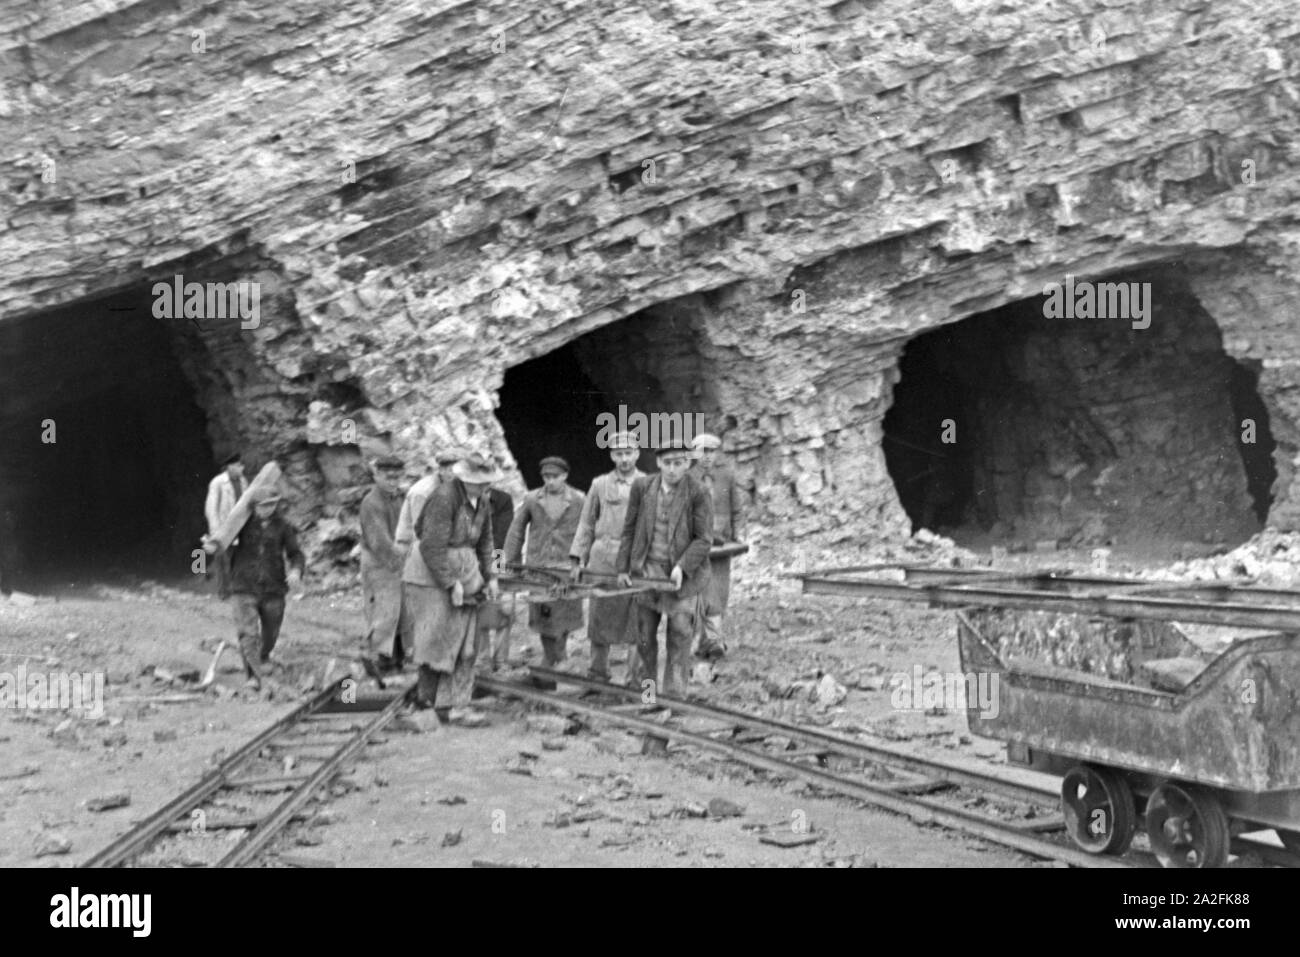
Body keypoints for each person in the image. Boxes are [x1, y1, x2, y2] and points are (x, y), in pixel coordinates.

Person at [407, 450, 501, 724]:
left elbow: (486, 540)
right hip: (432, 576)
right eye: (480, 481)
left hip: (467, 571)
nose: (486, 486)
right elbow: (430, 544)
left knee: (467, 644)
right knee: (434, 639)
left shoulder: (482, 500)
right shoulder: (444, 498)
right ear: (466, 479)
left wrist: (491, 575)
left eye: (488, 482)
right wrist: (450, 584)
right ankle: (428, 702)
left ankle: (458, 705)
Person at [617, 441, 712, 698]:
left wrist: (682, 567)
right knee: (645, 637)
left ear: (688, 463)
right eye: (667, 463)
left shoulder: (698, 492)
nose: (672, 469)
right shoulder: (643, 487)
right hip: (647, 573)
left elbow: (704, 539)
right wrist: (623, 568)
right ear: (658, 463)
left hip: (682, 579)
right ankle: (647, 691)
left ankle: (674, 696)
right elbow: (629, 529)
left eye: (678, 463)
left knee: (680, 635)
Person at [570, 431, 645, 684]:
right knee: (600, 619)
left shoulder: (647, 484)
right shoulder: (599, 484)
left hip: (634, 561)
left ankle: (635, 680)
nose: (624, 459)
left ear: (637, 453)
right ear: (612, 455)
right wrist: (578, 558)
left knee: (638, 620)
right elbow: (586, 523)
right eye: (619, 454)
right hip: (602, 559)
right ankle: (597, 675)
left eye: (628, 453)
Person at [504, 456, 585, 689]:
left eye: (555, 477)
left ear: (565, 476)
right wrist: (510, 563)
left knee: (565, 619)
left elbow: (587, 532)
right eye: (546, 477)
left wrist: (582, 562)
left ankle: (551, 664)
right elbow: (515, 531)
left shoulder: (579, 500)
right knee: (544, 619)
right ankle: (555, 662)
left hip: (566, 570)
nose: (550, 482)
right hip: (538, 570)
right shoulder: (532, 499)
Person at [225, 487, 305, 690]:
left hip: (273, 588)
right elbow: (221, 543)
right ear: (253, 507)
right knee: (248, 633)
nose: (268, 509)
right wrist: (206, 550)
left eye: (272, 504)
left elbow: (296, 554)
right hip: (243, 585)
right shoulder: (240, 525)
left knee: (271, 633)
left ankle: (264, 655)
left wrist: (295, 572)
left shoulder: (283, 527)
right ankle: (252, 676)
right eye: (263, 506)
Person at [396, 449, 462, 661]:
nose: (453, 472)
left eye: (456, 468)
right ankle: (417, 656)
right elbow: (422, 534)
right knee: (423, 607)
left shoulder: (454, 489)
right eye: (448, 468)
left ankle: (432, 654)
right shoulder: (423, 492)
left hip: (438, 552)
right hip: (417, 552)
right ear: (440, 469)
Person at [689, 433, 747, 660]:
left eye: (711, 451)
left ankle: (713, 643)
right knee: (698, 594)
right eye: (702, 451)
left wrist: (738, 534)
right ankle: (699, 642)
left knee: (719, 594)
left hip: (722, 545)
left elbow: (737, 509)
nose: (706, 457)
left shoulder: (726, 476)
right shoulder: (686, 478)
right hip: (695, 546)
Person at [358, 455, 406, 670]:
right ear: (376, 475)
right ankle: (376, 658)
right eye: (388, 477)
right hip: (379, 562)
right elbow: (379, 541)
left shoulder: (399, 498)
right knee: (384, 611)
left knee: (401, 611)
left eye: (397, 477)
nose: (393, 482)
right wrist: (400, 559)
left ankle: (396, 658)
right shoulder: (371, 502)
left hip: (397, 559)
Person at [204, 453, 247, 599]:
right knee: (222, 560)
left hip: (239, 527)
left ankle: (237, 590)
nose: (242, 468)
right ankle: (223, 592)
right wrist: (215, 531)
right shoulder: (218, 482)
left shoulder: (243, 481)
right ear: (230, 467)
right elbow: (211, 507)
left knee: (238, 558)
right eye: (239, 465)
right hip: (223, 527)